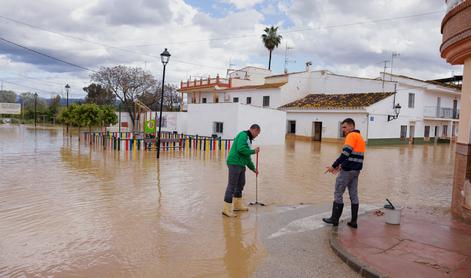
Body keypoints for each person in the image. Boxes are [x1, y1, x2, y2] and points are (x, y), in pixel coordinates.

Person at [323, 118, 365, 228]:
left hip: (347, 171)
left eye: (345, 127)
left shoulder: (351, 136)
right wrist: (340, 166)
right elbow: (353, 156)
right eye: (342, 127)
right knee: (354, 195)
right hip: (356, 171)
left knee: (338, 193)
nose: (343, 130)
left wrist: (333, 166)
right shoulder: (360, 137)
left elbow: (345, 154)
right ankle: (354, 222)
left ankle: (334, 219)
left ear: (352, 126)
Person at [222, 124, 260, 217]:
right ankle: (226, 209)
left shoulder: (249, 139)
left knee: (241, 184)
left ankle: (237, 205)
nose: (257, 135)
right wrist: (253, 151)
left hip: (241, 164)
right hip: (234, 163)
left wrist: (253, 169)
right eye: (257, 133)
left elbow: (247, 157)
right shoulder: (243, 135)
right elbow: (240, 149)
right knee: (232, 185)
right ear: (253, 130)